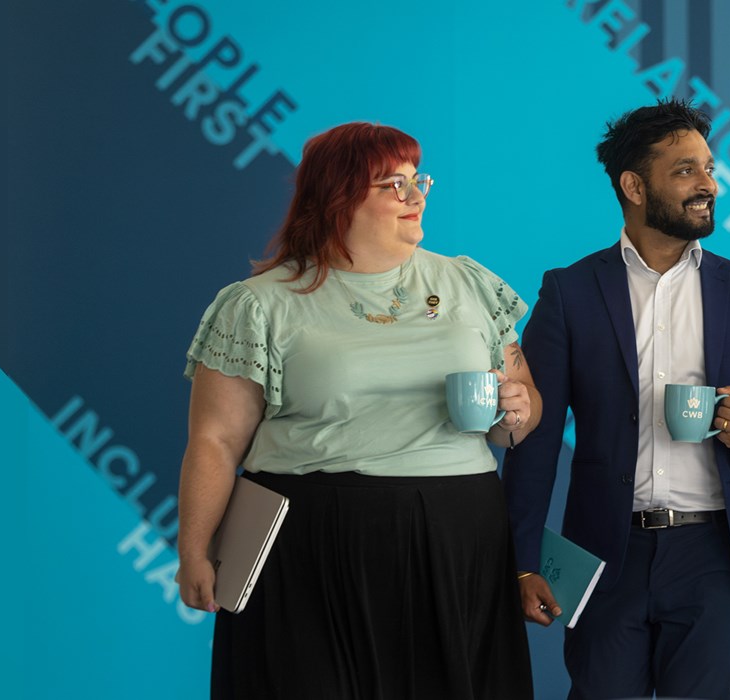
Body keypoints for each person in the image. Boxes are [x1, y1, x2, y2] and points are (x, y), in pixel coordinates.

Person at [172, 122, 538, 698]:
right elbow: (215, 440)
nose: (416, 197)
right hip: (310, 540)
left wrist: (515, 412)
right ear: (337, 196)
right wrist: (194, 550)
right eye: (394, 185)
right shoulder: (257, 305)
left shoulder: (469, 282)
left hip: (459, 534)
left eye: (419, 181)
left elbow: (522, 406)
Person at [502, 99, 730, 699]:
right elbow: (532, 434)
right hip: (603, 555)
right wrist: (519, 559)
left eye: (710, 169)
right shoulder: (570, 292)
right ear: (634, 186)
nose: (708, 185)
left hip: (713, 557)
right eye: (686, 171)